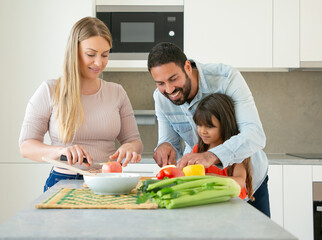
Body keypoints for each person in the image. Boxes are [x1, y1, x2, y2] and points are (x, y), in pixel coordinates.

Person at [19, 17, 143, 191]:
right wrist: (60, 151)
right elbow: (26, 146)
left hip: (107, 181)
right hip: (63, 181)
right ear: (74, 51)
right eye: (91, 54)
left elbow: (134, 141)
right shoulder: (49, 90)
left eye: (105, 54)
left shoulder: (117, 92)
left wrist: (130, 147)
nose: (99, 62)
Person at [147, 42, 270, 217]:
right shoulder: (161, 98)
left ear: (187, 67)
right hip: (201, 189)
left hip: (250, 184)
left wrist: (210, 156)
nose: (169, 89)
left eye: (173, 79)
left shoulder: (226, 78)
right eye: (160, 83)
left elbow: (255, 135)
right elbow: (169, 142)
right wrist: (165, 147)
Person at [192, 93, 254, 201]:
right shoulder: (198, 150)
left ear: (225, 125)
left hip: (232, 204)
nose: (202, 131)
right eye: (199, 125)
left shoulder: (236, 151)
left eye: (209, 126)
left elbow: (240, 181)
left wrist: (210, 178)